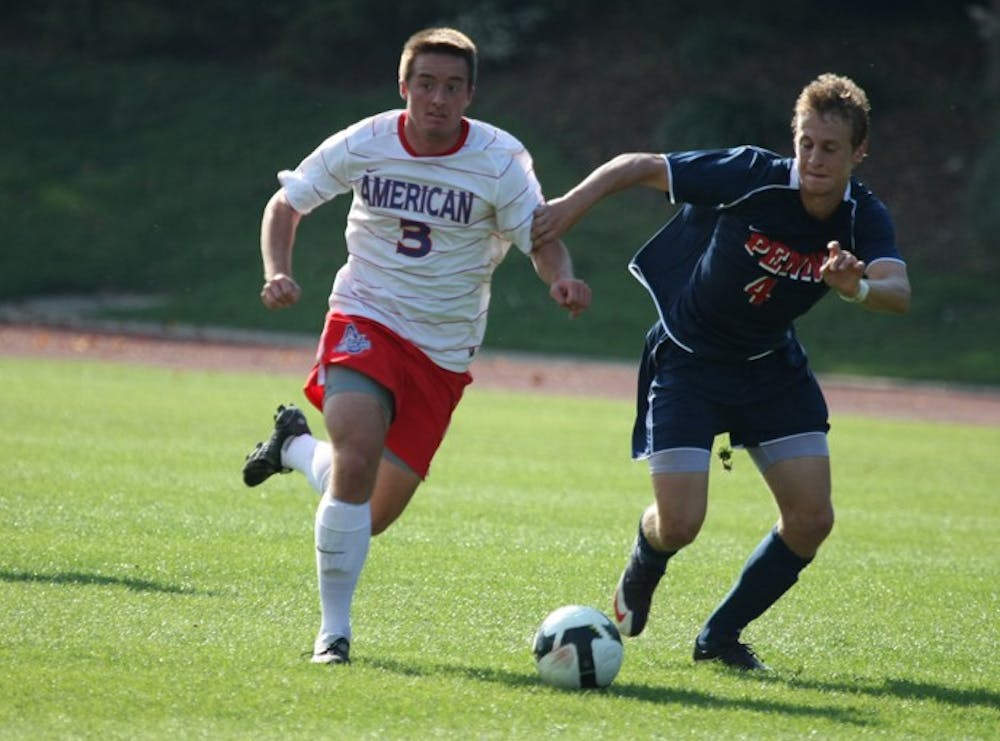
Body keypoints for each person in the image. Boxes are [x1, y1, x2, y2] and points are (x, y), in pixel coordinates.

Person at [530, 73, 910, 670]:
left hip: (770, 370)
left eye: (830, 148)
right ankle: (645, 558)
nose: (814, 158)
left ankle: (719, 638)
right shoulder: (752, 175)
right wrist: (567, 208)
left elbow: (899, 290)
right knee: (679, 523)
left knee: (811, 520)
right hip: (690, 362)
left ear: (859, 153)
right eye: (806, 142)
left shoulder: (863, 214)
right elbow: (637, 165)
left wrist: (857, 286)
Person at [242, 27, 591, 665]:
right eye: (425, 84)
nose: (438, 98)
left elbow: (540, 237)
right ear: (404, 88)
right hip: (365, 316)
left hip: (443, 348)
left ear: (470, 94)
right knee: (356, 452)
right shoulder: (367, 140)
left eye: (452, 86)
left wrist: (561, 278)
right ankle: (334, 636)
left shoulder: (499, 160)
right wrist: (277, 271)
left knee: (368, 513)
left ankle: (292, 447)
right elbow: (285, 205)